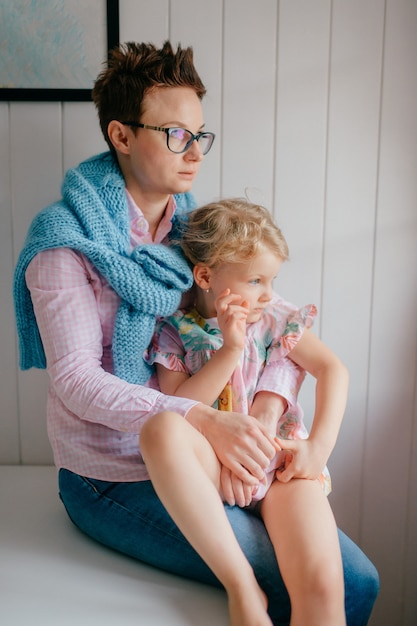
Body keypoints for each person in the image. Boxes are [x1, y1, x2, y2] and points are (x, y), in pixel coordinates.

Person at [13, 41, 379, 625]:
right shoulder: (66, 245)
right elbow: (78, 382)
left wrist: (260, 416)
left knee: (354, 580)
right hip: (112, 472)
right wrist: (204, 420)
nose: (194, 153)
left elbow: (269, 320)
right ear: (122, 135)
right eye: (175, 134)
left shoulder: (193, 230)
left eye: (200, 135)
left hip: (209, 449)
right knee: (339, 585)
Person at [143, 198, 345, 624]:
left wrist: (319, 448)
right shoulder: (176, 332)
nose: (268, 293)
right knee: (161, 428)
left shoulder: (273, 318)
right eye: (256, 280)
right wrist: (230, 348)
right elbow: (183, 406)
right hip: (218, 470)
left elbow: (332, 370)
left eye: (271, 279)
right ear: (205, 276)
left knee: (323, 584)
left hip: (281, 468)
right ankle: (242, 587)